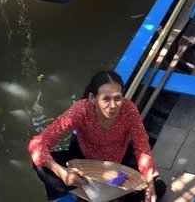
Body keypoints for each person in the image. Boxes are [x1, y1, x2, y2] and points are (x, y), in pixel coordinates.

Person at [28, 71, 166, 202]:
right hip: (84, 163)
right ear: (92, 98)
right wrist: (62, 172)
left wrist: (150, 187)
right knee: (41, 165)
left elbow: (142, 148)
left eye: (118, 98)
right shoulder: (80, 110)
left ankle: (100, 196)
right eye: (106, 99)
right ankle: (67, 198)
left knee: (158, 187)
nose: (113, 106)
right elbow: (37, 143)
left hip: (117, 164)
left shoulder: (129, 109)